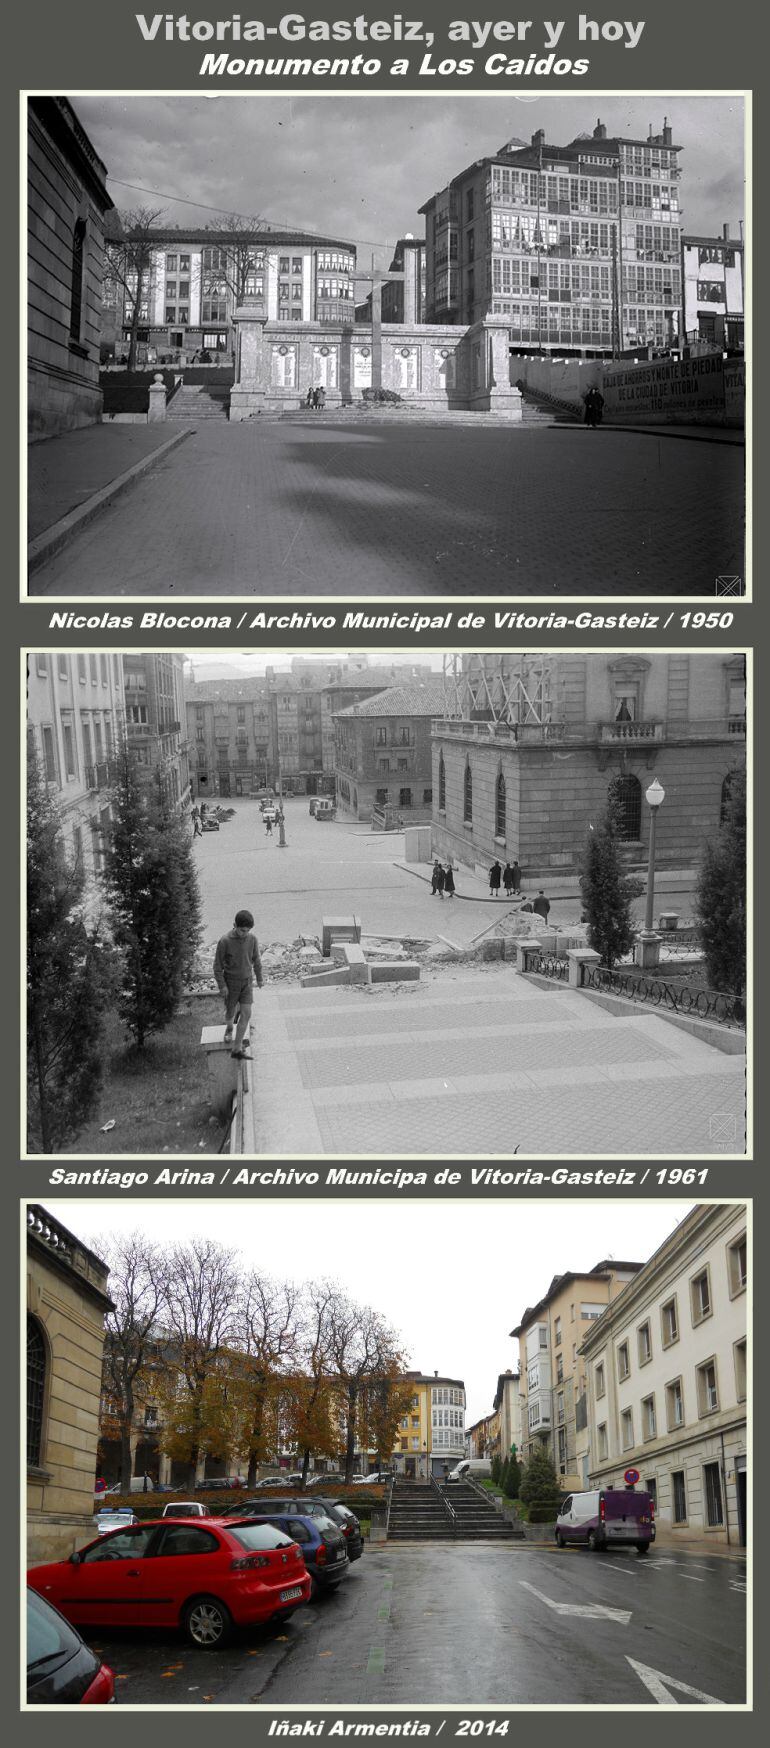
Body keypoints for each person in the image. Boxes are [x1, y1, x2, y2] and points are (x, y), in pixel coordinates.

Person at [213, 909, 264, 1059]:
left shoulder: (252, 939)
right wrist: (222, 985)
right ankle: (229, 1027)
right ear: (234, 925)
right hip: (231, 982)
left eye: (248, 931)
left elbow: (256, 960)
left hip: (247, 982)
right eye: (242, 930)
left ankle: (237, 1048)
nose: (245, 933)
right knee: (230, 1011)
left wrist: (259, 978)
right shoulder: (225, 941)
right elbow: (217, 966)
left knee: (247, 1013)